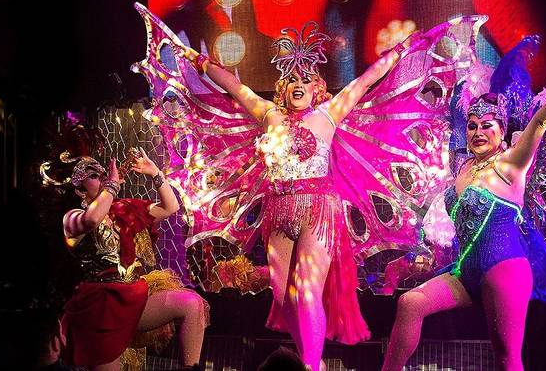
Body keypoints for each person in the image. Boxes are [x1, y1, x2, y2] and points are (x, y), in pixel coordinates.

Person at [176, 22, 426, 370]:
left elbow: (366, 80)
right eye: (292, 79)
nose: (298, 84)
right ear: (283, 87)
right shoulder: (268, 114)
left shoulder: (328, 113)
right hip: (278, 211)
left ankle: (310, 364)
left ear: (317, 88)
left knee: (307, 294)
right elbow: (233, 85)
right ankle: (312, 357)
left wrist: (400, 51)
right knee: (283, 298)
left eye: (306, 79)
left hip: (318, 211)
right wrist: (198, 62)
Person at [381, 54, 546, 371]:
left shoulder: (512, 163)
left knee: (507, 358)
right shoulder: (464, 169)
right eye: (473, 126)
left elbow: (541, 120)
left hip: (504, 270)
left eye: (487, 126)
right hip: (465, 272)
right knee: (410, 303)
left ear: (503, 132)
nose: (478, 132)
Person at [58, 147, 208, 371]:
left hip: (133, 296)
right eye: (93, 175)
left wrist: (155, 173)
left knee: (191, 304)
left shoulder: (122, 210)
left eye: (103, 173)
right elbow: (92, 220)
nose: (104, 178)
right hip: (102, 308)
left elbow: (170, 207)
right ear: (79, 190)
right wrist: (112, 185)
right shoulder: (72, 217)